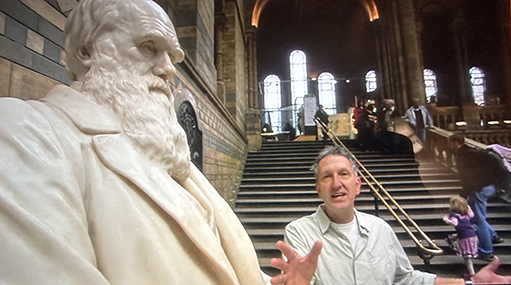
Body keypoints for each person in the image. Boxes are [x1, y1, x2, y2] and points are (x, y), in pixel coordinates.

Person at [0, 0, 270, 284]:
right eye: (149, 47)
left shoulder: (170, 157)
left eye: (173, 56)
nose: (169, 69)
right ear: (86, 51)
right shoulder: (25, 129)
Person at [270, 145, 511, 285]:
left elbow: (407, 279)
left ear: (358, 185)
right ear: (318, 189)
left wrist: (469, 283)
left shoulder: (380, 229)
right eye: (326, 177)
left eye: (343, 174)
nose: (336, 184)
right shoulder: (299, 231)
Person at [448, 133, 506, 262]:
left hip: (478, 189)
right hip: (488, 185)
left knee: (478, 220)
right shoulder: (476, 153)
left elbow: (467, 176)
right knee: (478, 216)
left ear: (456, 142)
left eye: (450, 143)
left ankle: (486, 251)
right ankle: (493, 235)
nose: (449, 146)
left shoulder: (465, 156)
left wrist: (466, 192)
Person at [443, 195, 478, 276]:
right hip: (472, 235)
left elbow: (455, 223)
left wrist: (446, 219)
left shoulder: (454, 215)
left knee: (467, 257)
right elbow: (472, 215)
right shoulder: (466, 214)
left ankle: (472, 273)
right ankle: (471, 271)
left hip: (465, 237)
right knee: (454, 238)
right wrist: (468, 207)